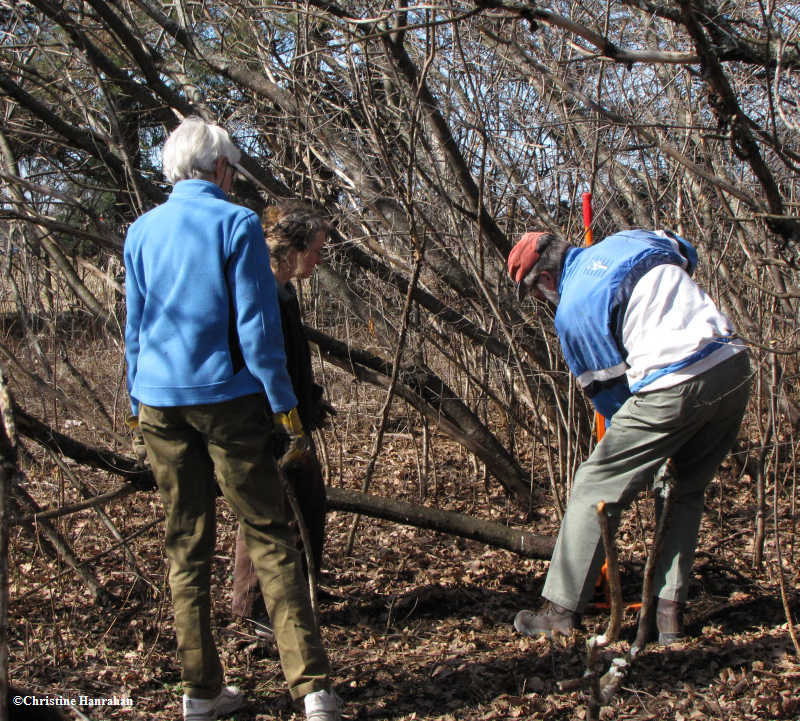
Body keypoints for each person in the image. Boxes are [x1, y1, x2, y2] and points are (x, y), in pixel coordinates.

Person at [124, 116, 341, 721]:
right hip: (228, 402)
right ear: (220, 169)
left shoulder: (141, 230)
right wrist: (285, 408)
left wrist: (133, 398)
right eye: (232, 169)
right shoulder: (236, 223)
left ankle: (200, 693)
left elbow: (135, 328)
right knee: (271, 535)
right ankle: (313, 691)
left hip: (158, 404)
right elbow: (256, 327)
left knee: (186, 546)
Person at [506, 228, 751, 643]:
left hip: (673, 381)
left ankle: (560, 612)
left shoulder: (573, 311)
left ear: (544, 281)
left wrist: (645, 453)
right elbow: (686, 253)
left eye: (534, 296)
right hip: (732, 363)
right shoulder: (633, 238)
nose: (541, 304)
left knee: (593, 485)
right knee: (683, 491)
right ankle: (666, 617)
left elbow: (612, 398)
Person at [232, 200, 332, 632]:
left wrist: (310, 400)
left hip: (291, 414)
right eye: (316, 249)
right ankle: (254, 611)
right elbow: (260, 358)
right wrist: (282, 418)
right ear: (293, 247)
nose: (319, 259)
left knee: (308, 502)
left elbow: (291, 356)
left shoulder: (285, 288)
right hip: (265, 421)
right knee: (266, 513)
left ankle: (302, 592)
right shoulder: (260, 286)